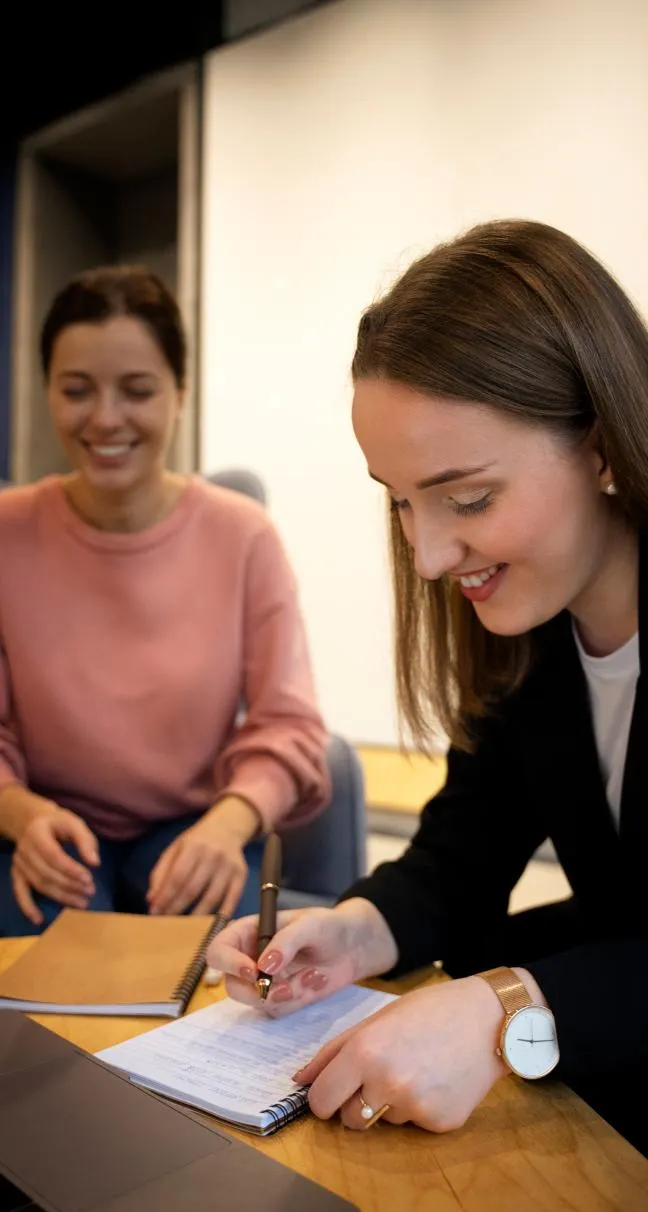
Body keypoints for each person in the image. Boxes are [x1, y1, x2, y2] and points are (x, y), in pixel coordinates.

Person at [209, 219, 648, 1158]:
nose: (430, 557)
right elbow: (461, 854)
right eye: (401, 501)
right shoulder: (535, 637)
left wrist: (510, 1010)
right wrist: (355, 934)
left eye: (469, 499)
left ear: (603, 446)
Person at [0, 266, 329, 936]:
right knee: (52, 978)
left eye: (137, 390)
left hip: (196, 825)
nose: (105, 418)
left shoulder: (245, 537)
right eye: (76, 390)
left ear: (180, 393)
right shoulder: (7, 534)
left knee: (225, 974)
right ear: (47, 391)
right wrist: (20, 814)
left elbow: (289, 724)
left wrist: (229, 822)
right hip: (48, 826)